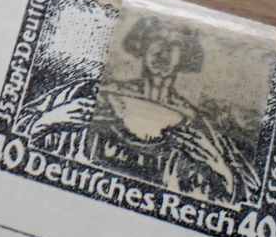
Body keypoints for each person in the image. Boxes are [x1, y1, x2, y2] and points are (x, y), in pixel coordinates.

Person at [16, 17, 260, 205]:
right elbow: (16, 130)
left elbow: (246, 196)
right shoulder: (89, 92)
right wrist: (50, 120)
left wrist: (218, 165)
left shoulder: (201, 127)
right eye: (156, 40)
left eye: (175, 44)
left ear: (185, 56)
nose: (163, 51)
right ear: (143, 45)